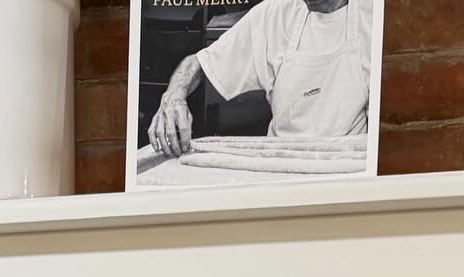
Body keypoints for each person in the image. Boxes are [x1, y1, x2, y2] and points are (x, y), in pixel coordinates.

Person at [147, 0, 373, 159]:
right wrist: (174, 95)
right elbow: (197, 63)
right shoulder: (276, 13)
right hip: (277, 164)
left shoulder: (374, 17)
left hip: (344, 168)